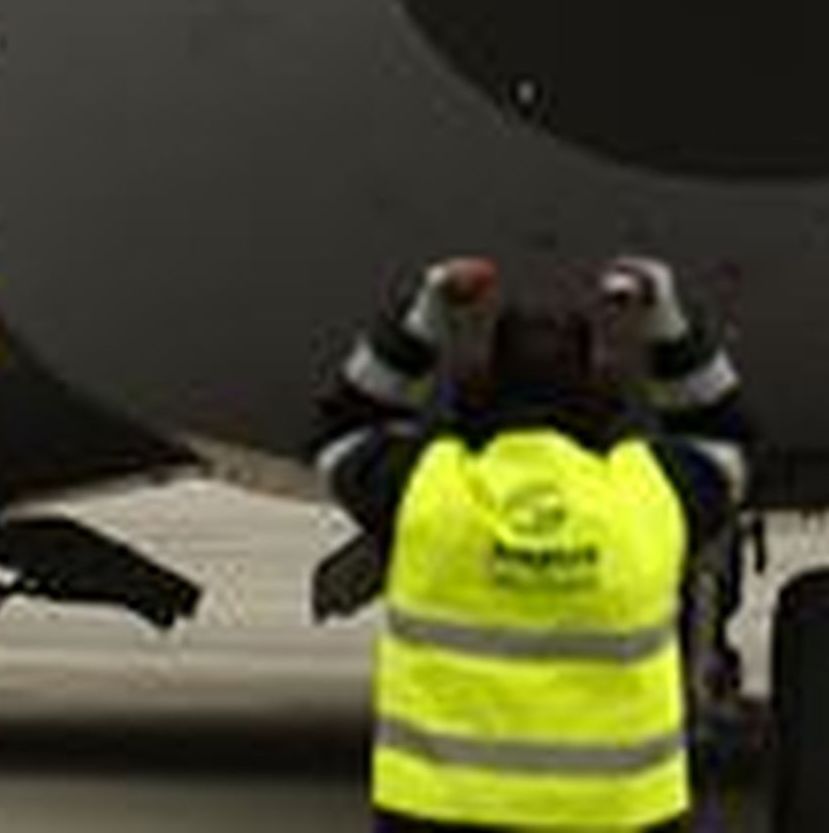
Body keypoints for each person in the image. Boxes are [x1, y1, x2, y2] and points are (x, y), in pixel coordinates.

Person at [313, 254, 751, 831]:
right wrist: (671, 324)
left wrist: (423, 316)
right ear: (604, 392)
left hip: (443, 813)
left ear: (473, 390)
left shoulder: (433, 493)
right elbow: (723, 434)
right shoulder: (647, 497)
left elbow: (345, 429)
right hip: (615, 817)